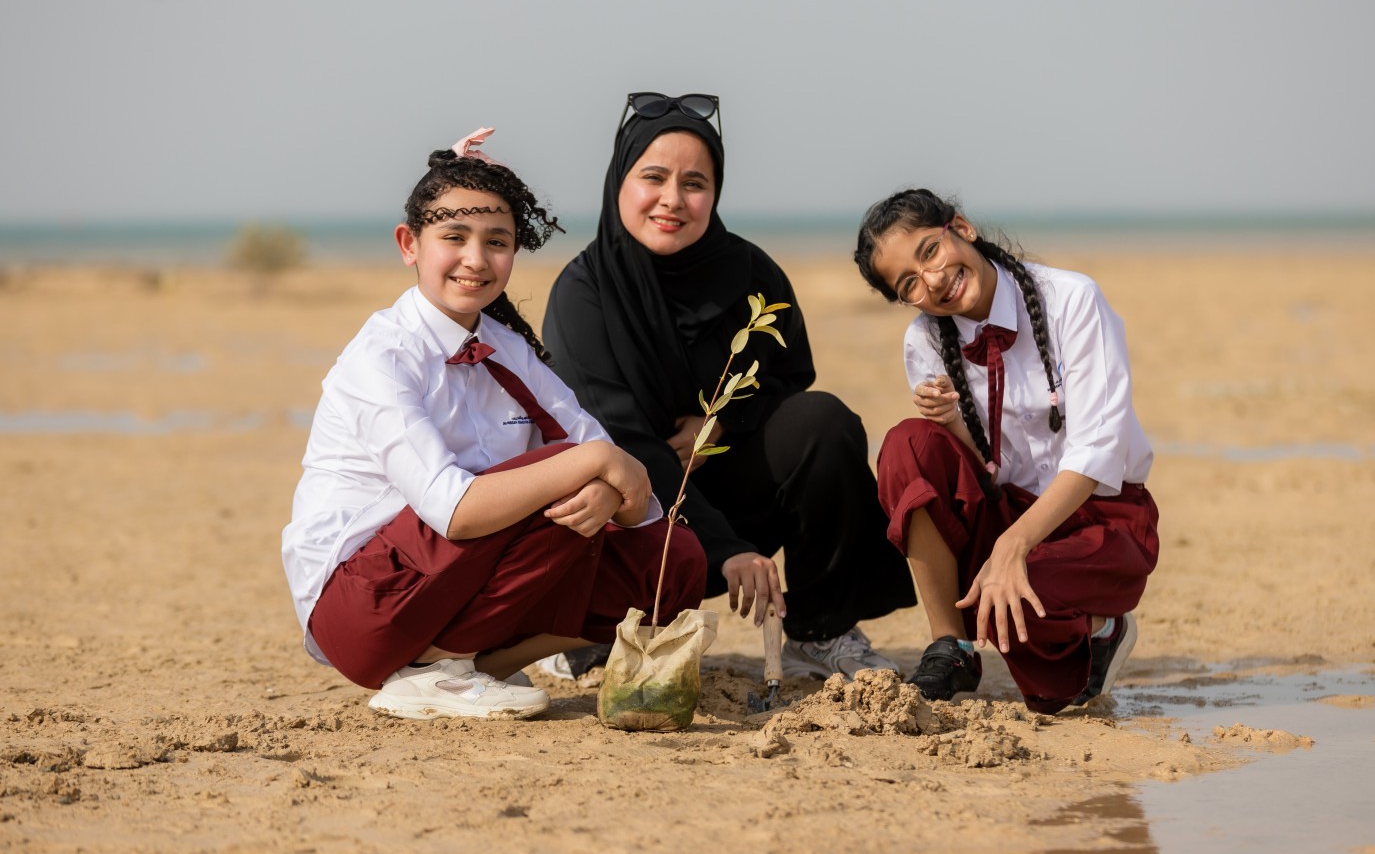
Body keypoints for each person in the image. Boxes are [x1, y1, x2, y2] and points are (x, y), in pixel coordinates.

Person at [281, 128, 706, 721]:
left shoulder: (507, 349)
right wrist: (596, 464)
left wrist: (607, 487)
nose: (476, 260)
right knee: (561, 472)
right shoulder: (383, 357)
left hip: (453, 584)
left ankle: (467, 669)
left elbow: (622, 485)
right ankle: (430, 667)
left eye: (497, 241)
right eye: (454, 237)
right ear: (409, 244)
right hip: (364, 609)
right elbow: (453, 510)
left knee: (672, 558)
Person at [542, 93, 915, 680]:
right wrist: (725, 549)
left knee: (822, 422)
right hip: (628, 507)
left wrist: (721, 424)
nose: (673, 199)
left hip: (729, 489)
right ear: (619, 182)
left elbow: (790, 378)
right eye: (653, 177)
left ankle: (822, 629)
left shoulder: (751, 272)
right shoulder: (582, 295)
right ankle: (583, 631)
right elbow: (616, 438)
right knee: (597, 484)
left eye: (694, 183)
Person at [853, 188, 1159, 714]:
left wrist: (1011, 547)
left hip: (1101, 521)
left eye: (930, 251)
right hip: (1008, 509)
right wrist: (951, 423)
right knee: (907, 442)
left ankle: (1104, 629)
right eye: (909, 283)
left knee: (1019, 617)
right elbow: (985, 472)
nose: (932, 280)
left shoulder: (1073, 300)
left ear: (961, 228)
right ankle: (950, 645)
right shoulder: (925, 340)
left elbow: (1096, 451)